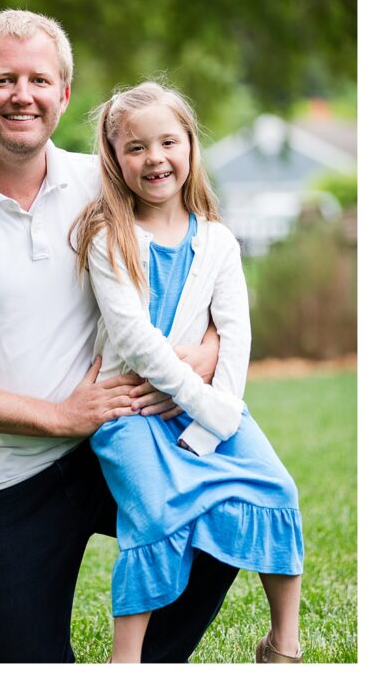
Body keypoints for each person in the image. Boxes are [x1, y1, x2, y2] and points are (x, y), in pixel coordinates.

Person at [0, 9, 238, 663]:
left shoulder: (105, 184)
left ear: (64, 95)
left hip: (117, 443)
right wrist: (57, 416)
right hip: (3, 476)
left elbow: (202, 268)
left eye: (40, 79)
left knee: (230, 516)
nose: (23, 95)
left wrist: (200, 358)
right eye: (2, 80)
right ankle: (5, 641)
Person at [73, 82, 303, 664]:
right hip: (133, 410)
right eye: (135, 148)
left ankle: (283, 643)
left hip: (212, 402)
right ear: (114, 158)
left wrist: (217, 411)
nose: (154, 158)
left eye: (168, 141)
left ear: (191, 147)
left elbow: (234, 335)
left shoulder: (219, 242)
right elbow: (135, 340)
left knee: (277, 488)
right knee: (154, 513)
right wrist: (204, 404)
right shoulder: (109, 238)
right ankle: (127, 659)